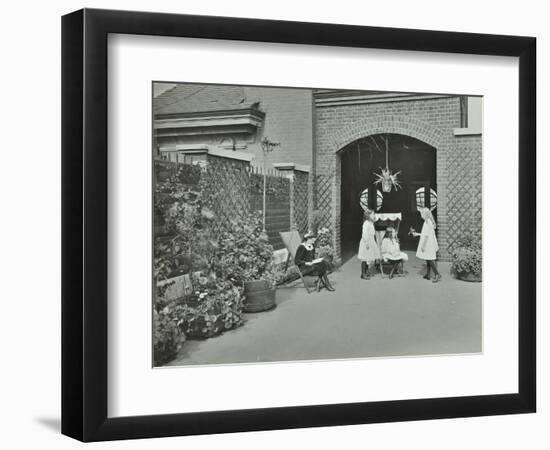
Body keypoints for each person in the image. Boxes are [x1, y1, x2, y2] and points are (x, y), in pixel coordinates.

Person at [410, 207, 442, 283]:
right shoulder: (427, 222)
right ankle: (428, 274)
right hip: (428, 242)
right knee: (427, 258)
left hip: (428, 243)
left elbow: (427, 236)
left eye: (421, 213)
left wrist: (423, 246)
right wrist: (417, 234)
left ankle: (437, 274)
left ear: (424, 214)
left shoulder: (428, 223)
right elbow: (425, 234)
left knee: (430, 259)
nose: (421, 215)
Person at [357, 209, 381, 280]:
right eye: (373, 214)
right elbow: (364, 234)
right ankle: (363, 274)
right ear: (368, 215)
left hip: (371, 241)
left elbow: (375, 219)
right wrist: (367, 242)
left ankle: (366, 271)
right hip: (366, 242)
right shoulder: (366, 223)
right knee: (364, 258)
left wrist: (373, 217)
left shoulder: (371, 223)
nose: (374, 215)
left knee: (369, 257)